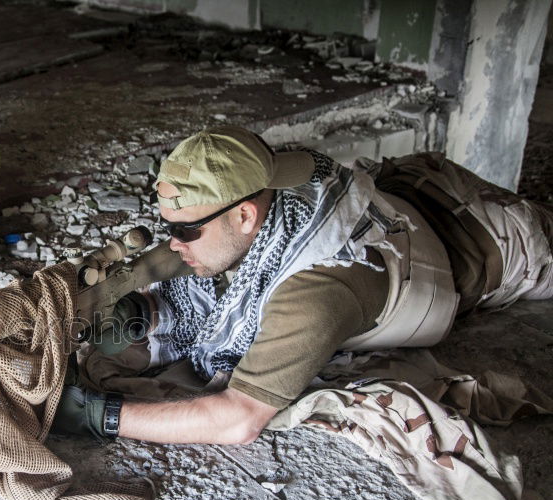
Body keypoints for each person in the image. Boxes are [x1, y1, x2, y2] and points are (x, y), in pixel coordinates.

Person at [52, 126, 553, 445]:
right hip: (415, 180)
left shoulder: (315, 290)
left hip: (498, 240)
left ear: (247, 214)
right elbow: (209, 254)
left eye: (184, 231)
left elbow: (238, 418)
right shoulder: (272, 175)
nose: (173, 243)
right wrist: (135, 302)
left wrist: (104, 415)